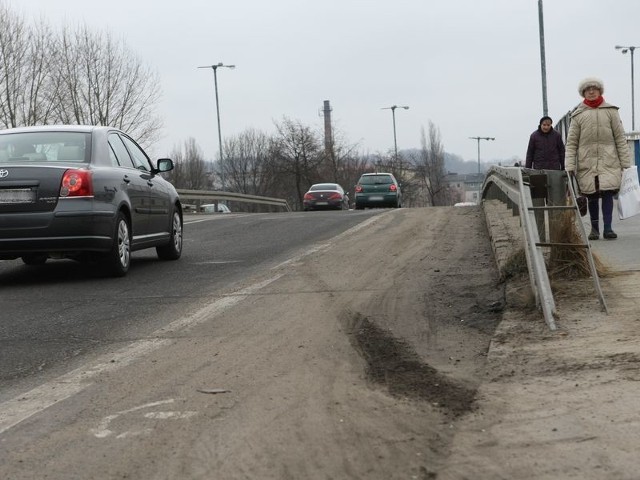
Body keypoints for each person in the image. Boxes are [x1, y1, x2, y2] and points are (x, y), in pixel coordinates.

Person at [565, 77, 631, 240]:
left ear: (600, 91)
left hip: (609, 161)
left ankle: (608, 228)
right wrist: (569, 165)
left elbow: (620, 139)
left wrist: (626, 164)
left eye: (594, 88)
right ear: (584, 93)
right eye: (588, 89)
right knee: (592, 195)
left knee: (608, 194)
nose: (592, 91)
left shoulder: (611, 111)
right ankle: (594, 229)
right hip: (587, 162)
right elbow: (571, 143)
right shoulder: (578, 116)